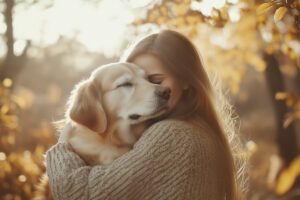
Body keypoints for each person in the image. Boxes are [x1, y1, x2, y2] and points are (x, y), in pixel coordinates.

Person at [46, 29, 247, 200]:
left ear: (186, 81)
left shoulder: (174, 135)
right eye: (130, 83)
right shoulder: (197, 129)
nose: (154, 90)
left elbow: (81, 195)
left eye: (156, 80)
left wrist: (62, 147)